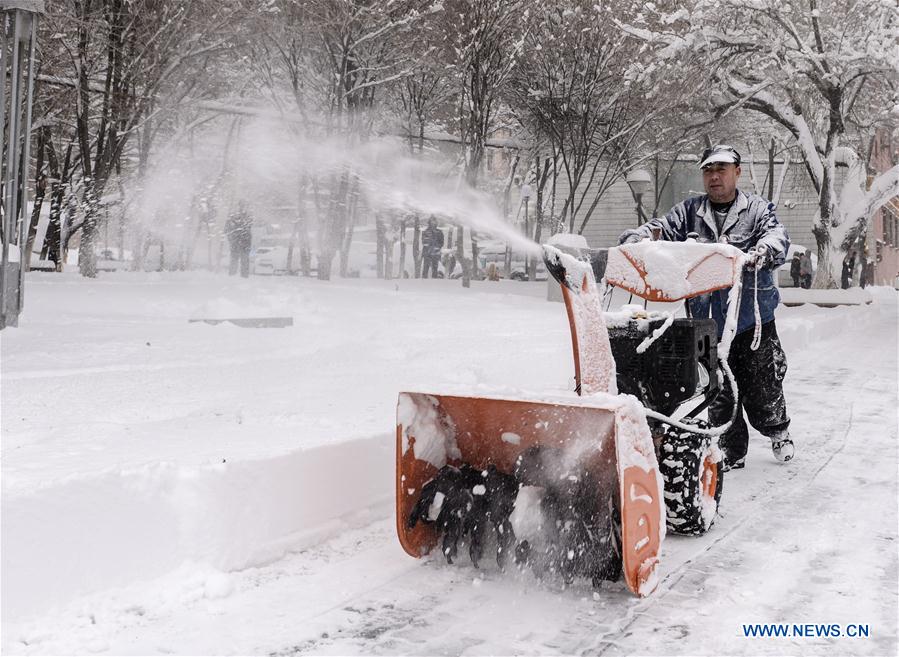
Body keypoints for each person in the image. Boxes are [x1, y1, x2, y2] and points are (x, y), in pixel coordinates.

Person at [619, 144, 793, 470]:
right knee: (717, 389)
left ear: (737, 173)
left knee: (762, 383)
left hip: (750, 319)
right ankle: (731, 449)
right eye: (709, 171)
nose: (714, 177)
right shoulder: (690, 212)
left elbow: (776, 236)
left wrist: (763, 252)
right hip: (705, 320)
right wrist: (640, 236)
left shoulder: (757, 210)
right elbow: (661, 228)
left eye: (721, 170)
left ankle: (777, 430)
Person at [225, 200, 253, 278]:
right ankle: (235, 275)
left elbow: (227, 229)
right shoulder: (235, 217)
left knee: (240, 259)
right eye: (241, 205)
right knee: (237, 259)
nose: (242, 207)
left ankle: (240, 276)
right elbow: (227, 229)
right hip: (240, 242)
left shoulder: (246, 217)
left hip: (243, 242)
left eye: (243, 206)